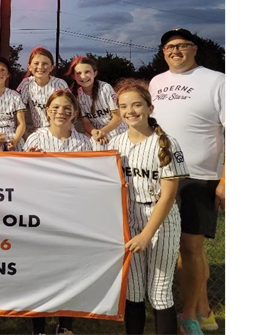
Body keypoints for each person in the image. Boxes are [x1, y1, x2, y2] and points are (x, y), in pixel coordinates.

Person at [147, 28, 226, 334]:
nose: (175, 51)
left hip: (199, 176)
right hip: (164, 174)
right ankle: (205, 312)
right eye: (169, 47)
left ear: (194, 48)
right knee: (183, 249)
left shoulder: (216, 80)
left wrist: (223, 178)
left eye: (181, 46)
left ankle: (189, 315)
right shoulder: (157, 82)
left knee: (190, 248)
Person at [107, 84, 186, 335]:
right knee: (133, 290)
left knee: (160, 292)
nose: (130, 111)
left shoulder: (167, 142)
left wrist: (146, 234)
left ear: (150, 108)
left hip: (160, 221)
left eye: (137, 104)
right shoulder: (115, 142)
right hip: (129, 220)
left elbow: (169, 196)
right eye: (123, 106)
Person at [24, 89, 95, 335]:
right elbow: (21, 178)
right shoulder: (35, 139)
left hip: (72, 216)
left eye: (66, 108)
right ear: (47, 111)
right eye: (55, 108)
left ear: (75, 113)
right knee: (40, 273)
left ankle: (65, 325)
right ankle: (39, 328)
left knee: (69, 272)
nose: (60, 112)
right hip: (41, 215)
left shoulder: (84, 142)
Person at [67, 56, 125, 144]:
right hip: (96, 133)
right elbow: (86, 122)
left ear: (95, 73)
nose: (83, 76)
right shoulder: (77, 95)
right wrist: (95, 133)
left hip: (117, 130)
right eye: (78, 73)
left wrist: (103, 132)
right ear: (74, 76)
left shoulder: (105, 88)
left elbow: (118, 117)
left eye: (87, 72)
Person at [17, 46, 69, 135]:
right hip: (39, 131)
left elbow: (70, 109)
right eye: (36, 63)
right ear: (29, 66)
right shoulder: (27, 83)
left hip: (61, 129)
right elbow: (19, 111)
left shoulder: (60, 83)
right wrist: (24, 135)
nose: (40, 67)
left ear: (51, 67)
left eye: (45, 63)